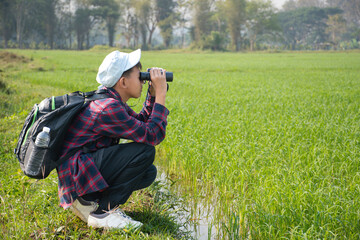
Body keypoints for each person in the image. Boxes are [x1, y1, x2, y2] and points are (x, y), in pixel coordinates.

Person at [56, 49, 169, 229]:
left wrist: (153, 95)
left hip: (79, 172)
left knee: (148, 172)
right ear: (123, 81)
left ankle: (93, 203)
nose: (143, 80)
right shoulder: (108, 107)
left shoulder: (109, 99)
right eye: (139, 76)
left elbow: (141, 125)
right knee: (145, 151)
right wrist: (161, 94)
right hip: (77, 176)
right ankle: (103, 213)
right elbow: (152, 135)